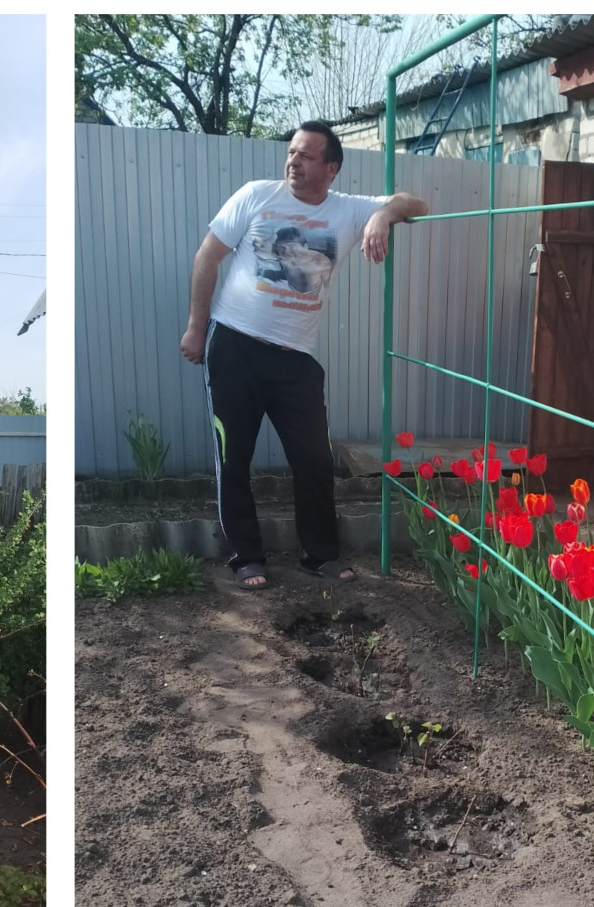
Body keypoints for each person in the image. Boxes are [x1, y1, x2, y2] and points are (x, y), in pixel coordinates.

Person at [180, 121, 429, 590]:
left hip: (296, 359)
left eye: (306, 155)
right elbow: (206, 258)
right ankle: (246, 557)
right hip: (233, 345)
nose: (293, 161)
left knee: (314, 460)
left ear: (331, 168)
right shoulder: (257, 195)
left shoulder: (350, 211)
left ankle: (320, 555)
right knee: (233, 459)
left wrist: (382, 216)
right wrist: (196, 328)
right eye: (291, 152)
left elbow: (417, 203)